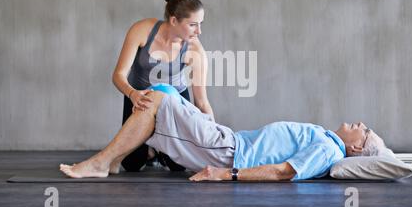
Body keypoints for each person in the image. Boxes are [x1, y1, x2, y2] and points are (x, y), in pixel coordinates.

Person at [60, 85, 387, 181]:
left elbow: (284, 172)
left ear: (356, 150)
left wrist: (225, 174)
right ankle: (112, 161)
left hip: (228, 152)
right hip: (230, 140)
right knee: (161, 94)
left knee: (158, 99)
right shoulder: (328, 140)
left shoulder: (329, 150)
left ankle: (102, 162)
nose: (360, 123)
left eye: (365, 130)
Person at [111, 0, 214, 172]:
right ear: (174, 20)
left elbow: (202, 102)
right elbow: (118, 75)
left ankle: (160, 150)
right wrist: (132, 94)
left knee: (178, 166)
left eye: (201, 24)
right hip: (140, 97)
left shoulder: (195, 50)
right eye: (193, 24)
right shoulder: (142, 30)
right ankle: (150, 151)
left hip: (174, 101)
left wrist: (214, 141)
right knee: (132, 164)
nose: (199, 31)